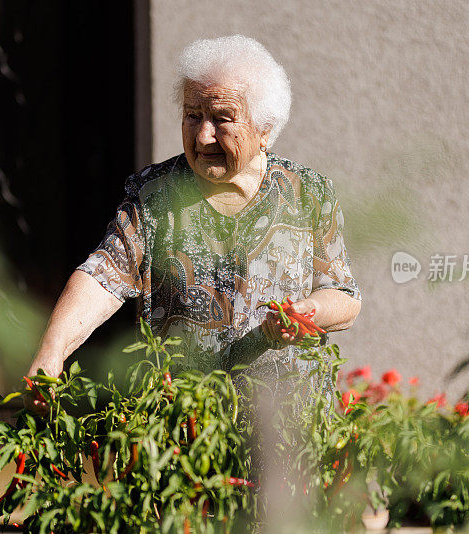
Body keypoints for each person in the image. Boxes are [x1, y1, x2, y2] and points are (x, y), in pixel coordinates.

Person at [27, 35, 361, 406]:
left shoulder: (309, 193)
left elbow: (344, 296)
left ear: (265, 130)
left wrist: (306, 313)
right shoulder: (155, 194)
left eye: (221, 119)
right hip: (182, 425)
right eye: (193, 115)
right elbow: (103, 276)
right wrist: (52, 351)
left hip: (288, 429)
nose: (203, 135)